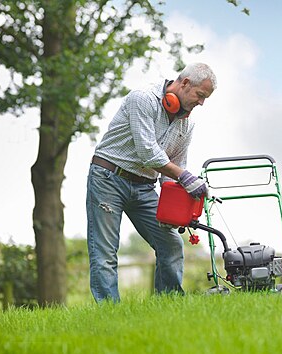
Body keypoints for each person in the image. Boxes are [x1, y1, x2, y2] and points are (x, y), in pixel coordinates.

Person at [86, 63, 217, 302]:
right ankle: (109, 312)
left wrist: (174, 209)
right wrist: (186, 178)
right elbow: (148, 153)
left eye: (205, 99)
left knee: (171, 243)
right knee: (105, 252)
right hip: (108, 178)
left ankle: (169, 305)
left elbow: (175, 167)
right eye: (200, 95)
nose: (201, 103)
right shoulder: (143, 99)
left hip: (144, 185)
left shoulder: (186, 123)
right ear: (185, 83)